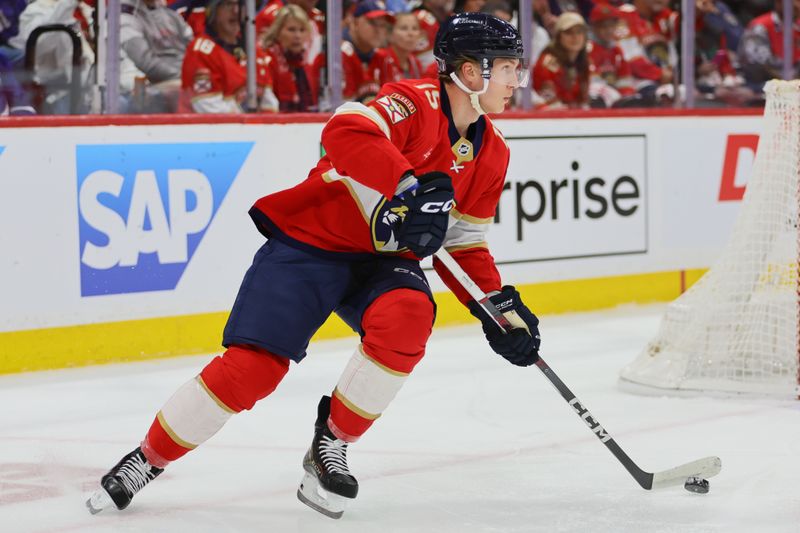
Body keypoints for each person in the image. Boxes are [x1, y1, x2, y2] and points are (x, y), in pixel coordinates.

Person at [86, 12, 541, 521]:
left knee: (409, 317)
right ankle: (147, 459)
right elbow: (344, 129)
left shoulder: (493, 151)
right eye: (506, 68)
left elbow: (463, 240)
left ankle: (331, 443)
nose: (516, 82)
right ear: (471, 72)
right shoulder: (414, 102)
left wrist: (495, 305)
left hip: (381, 261)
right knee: (252, 370)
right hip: (311, 241)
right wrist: (408, 184)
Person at [179, 0, 278, 113]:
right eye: (228, 4)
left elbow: (269, 103)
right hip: (211, 129)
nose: (235, 11)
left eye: (239, 4)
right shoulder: (201, 52)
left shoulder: (253, 51)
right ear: (212, 10)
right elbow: (209, 111)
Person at [120, 0, 194, 113]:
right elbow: (147, 63)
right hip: (143, 90)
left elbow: (193, 48)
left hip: (181, 81)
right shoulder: (123, 16)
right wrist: (186, 77)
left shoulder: (168, 13)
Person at [262, 4, 319, 111]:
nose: (297, 36)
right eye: (291, 30)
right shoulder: (267, 60)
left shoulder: (306, 63)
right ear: (278, 32)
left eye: (302, 30)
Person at [738, 0, 800, 93]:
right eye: (795, 7)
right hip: (760, 85)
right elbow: (761, 64)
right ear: (779, 3)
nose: (798, 9)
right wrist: (790, 84)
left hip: (793, 84)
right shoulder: (761, 26)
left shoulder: (797, 26)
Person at [533, 11, 591, 109]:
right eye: (569, 32)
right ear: (559, 36)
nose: (575, 37)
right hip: (551, 117)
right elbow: (549, 101)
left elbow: (583, 99)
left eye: (579, 32)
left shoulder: (584, 62)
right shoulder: (548, 63)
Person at [586, 4, 636, 107]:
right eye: (604, 26)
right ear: (594, 28)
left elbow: (625, 79)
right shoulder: (588, 49)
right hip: (594, 99)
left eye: (612, 26)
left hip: (613, 96)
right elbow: (591, 83)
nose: (609, 30)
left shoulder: (617, 50)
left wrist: (626, 95)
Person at [369, 11, 424, 85]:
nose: (411, 34)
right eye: (403, 28)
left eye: (415, 28)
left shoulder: (416, 63)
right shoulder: (380, 57)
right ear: (390, 34)